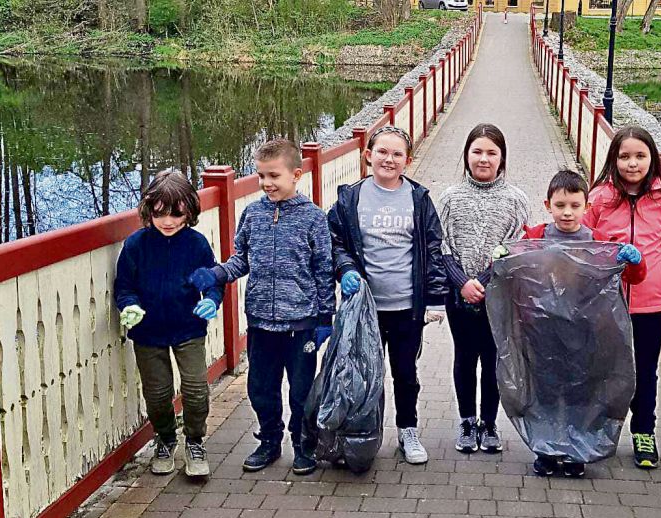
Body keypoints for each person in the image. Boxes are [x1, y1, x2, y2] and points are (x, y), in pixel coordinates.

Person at [189, 138, 334, 475]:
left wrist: (325, 317)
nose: (267, 183)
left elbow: (324, 270)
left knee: (301, 392)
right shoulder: (253, 214)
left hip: (301, 324)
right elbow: (241, 260)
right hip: (260, 323)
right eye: (261, 176)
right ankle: (269, 440)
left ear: (295, 174)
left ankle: (303, 444)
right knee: (260, 389)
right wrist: (216, 274)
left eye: (274, 176)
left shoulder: (313, 218)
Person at [329, 125, 447, 466]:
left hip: (407, 307)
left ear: (407, 160)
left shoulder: (418, 199)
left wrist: (436, 298)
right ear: (368, 155)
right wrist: (345, 269)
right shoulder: (350, 198)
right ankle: (360, 435)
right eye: (382, 152)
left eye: (397, 154)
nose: (389, 159)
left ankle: (408, 430)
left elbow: (433, 248)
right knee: (363, 373)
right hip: (364, 307)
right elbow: (335, 242)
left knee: (405, 373)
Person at [517, 169, 646, 477]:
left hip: (586, 331)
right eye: (560, 205)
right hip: (544, 328)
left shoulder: (598, 241)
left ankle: (577, 449)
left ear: (587, 206)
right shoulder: (535, 237)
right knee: (547, 390)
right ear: (547, 205)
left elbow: (633, 277)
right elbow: (514, 268)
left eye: (575, 206)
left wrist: (635, 262)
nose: (567, 212)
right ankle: (546, 449)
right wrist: (503, 256)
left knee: (581, 390)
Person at [583, 125, 661, 470]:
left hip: (650, 306)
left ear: (652, 160)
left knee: (645, 373)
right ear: (613, 159)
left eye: (640, 156)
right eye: (625, 156)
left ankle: (644, 431)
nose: (632, 163)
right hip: (606, 304)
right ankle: (595, 431)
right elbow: (582, 245)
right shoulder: (599, 198)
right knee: (602, 370)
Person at [115, 169, 222, 478]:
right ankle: (165, 438)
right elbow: (124, 287)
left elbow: (212, 281)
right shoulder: (135, 245)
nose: (168, 221)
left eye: (177, 214)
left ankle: (195, 441)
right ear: (149, 211)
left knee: (196, 389)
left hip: (188, 328)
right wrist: (129, 305)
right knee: (158, 394)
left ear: (190, 211)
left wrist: (211, 299)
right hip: (147, 333)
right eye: (160, 214)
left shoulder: (196, 245)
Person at [439, 123, 530, 455]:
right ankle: (467, 420)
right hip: (459, 296)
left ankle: (489, 423)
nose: (483, 159)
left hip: (499, 296)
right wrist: (462, 282)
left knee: (494, 359)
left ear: (502, 158)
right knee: (465, 357)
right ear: (466, 155)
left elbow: (517, 246)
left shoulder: (515, 200)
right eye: (477, 151)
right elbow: (442, 247)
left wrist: (486, 280)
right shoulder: (449, 198)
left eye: (492, 152)